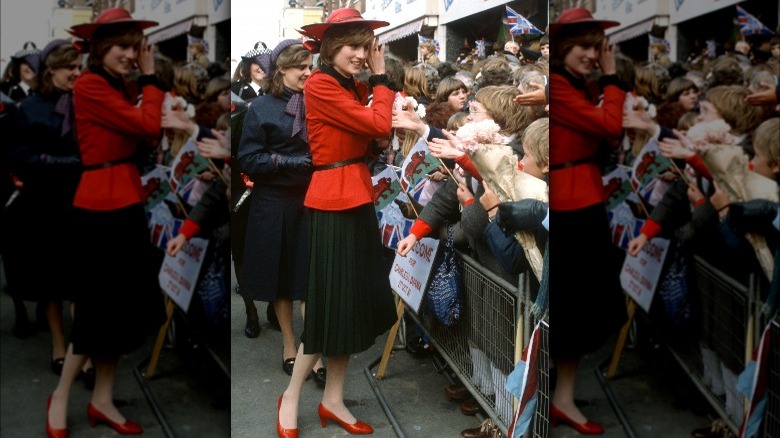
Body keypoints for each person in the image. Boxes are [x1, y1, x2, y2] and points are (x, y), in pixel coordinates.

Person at [277, 8, 397, 437]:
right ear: (330, 48)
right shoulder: (321, 84)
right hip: (333, 199)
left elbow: (379, 133)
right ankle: (291, 395)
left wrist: (374, 85)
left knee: (346, 305)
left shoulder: (348, 84)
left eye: (367, 47)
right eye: (354, 46)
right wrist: (381, 80)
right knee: (329, 307)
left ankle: (332, 400)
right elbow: (380, 124)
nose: (363, 54)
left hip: (356, 195)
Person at [46, 8, 165, 437]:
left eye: (136, 47)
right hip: (99, 208)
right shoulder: (91, 84)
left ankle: (101, 399)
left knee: (117, 312)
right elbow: (149, 126)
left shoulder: (116, 84)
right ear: (99, 49)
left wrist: (143, 87)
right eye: (123, 47)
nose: (132, 54)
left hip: (125, 203)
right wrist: (151, 79)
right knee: (97, 313)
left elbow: (145, 131)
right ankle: (61, 395)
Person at [548, 8, 628, 434]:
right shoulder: (560, 85)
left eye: (597, 48)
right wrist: (613, 77)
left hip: (583, 200)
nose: (593, 55)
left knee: (578, 306)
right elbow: (610, 126)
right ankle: (558, 398)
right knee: (574, 306)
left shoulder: (574, 83)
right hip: (571, 206)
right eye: (584, 47)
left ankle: (562, 397)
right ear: (563, 48)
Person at [236, 39, 326, 385]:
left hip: (312, 198)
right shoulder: (260, 107)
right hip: (274, 202)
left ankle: (310, 349)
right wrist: (286, 160)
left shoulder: (318, 100)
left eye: (310, 66)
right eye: (301, 67)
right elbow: (247, 159)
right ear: (282, 69)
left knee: (310, 279)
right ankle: (289, 345)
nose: (308, 72)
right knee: (283, 280)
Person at [7, 39, 83, 379]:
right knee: (52, 282)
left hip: (80, 202)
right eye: (71, 67)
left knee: (81, 283)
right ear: (51, 69)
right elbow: (21, 158)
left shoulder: (83, 103)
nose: (77, 73)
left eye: (80, 67)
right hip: (43, 205)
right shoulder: (28, 108)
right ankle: (57, 342)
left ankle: (80, 349)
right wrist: (68, 163)